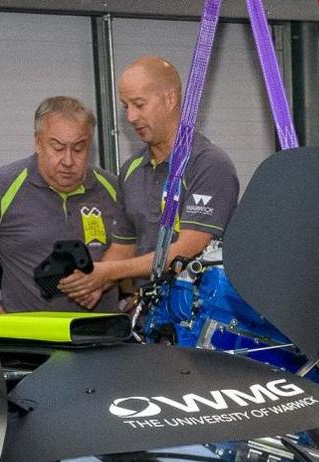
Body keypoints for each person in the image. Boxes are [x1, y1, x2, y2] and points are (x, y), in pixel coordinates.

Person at [57, 55, 243, 309]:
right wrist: (94, 282)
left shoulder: (208, 164)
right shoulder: (131, 170)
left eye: (139, 105)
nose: (131, 117)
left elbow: (188, 248)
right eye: (126, 107)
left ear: (170, 99)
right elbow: (124, 246)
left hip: (202, 317)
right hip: (152, 317)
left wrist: (107, 272)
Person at [0, 96, 134, 316]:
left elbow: (128, 244)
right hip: (32, 339)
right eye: (57, 147)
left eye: (79, 149)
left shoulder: (113, 188)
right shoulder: (1, 186)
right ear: (38, 143)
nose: (68, 161)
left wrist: (102, 281)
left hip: (102, 335)